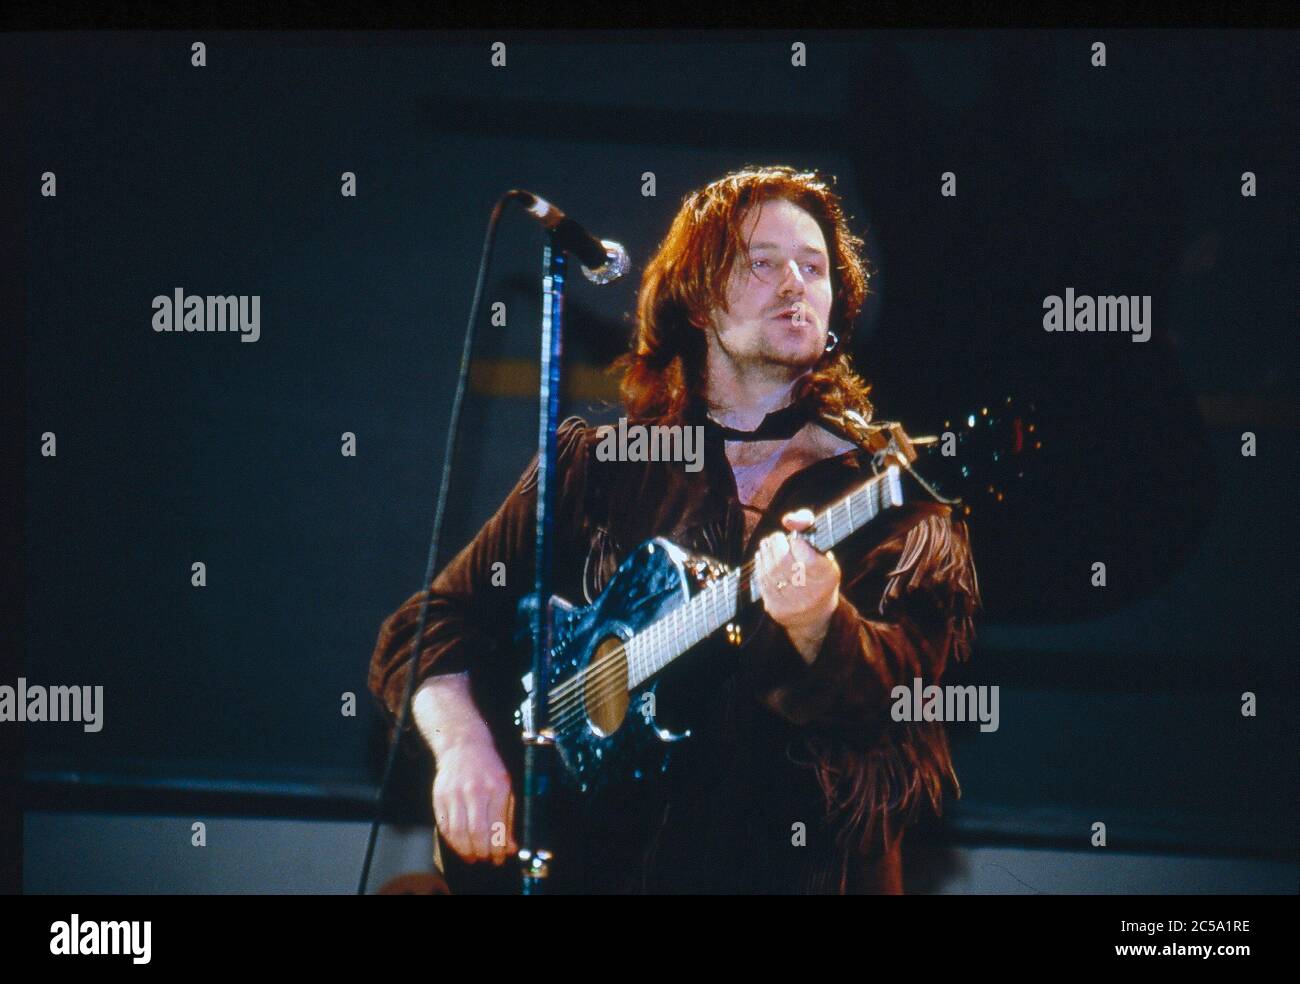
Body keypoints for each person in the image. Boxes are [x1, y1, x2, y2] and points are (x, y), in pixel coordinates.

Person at [368, 165, 981, 894]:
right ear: (696, 298)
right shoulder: (597, 466)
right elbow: (428, 625)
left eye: (814, 268)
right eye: (763, 262)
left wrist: (821, 626)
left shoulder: (896, 498)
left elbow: (901, 708)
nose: (795, 283)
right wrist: (467, 746)